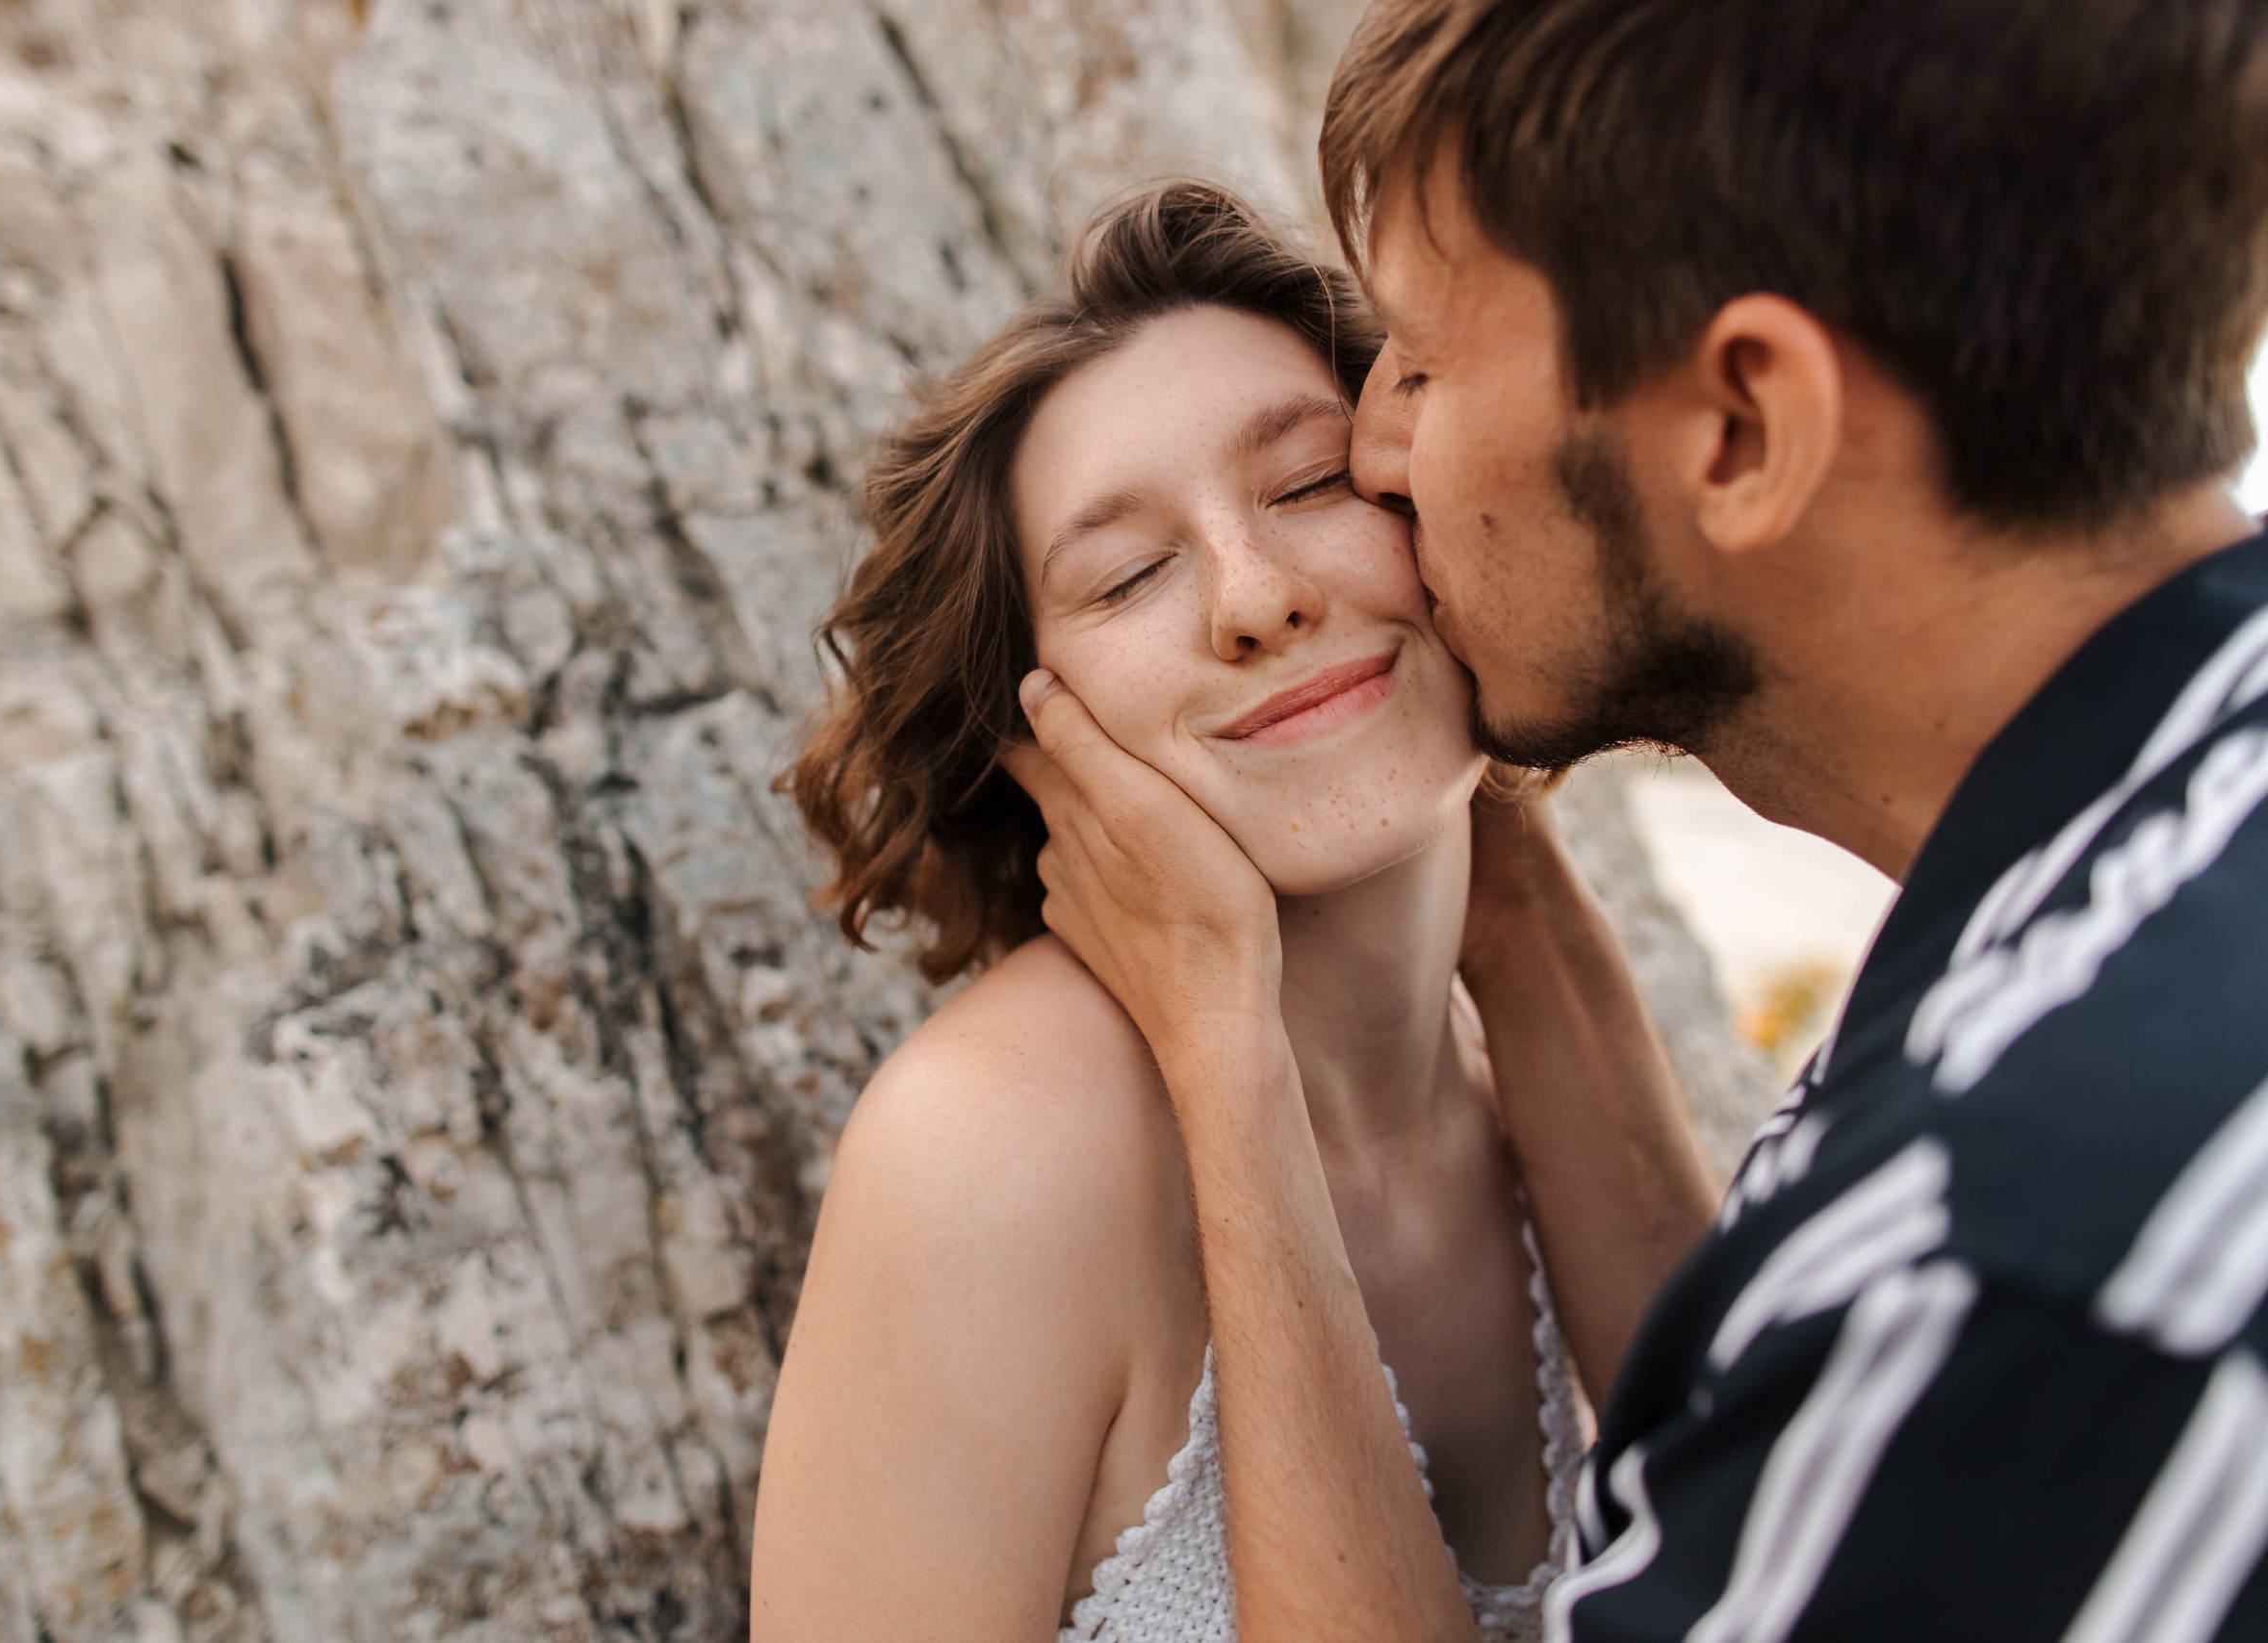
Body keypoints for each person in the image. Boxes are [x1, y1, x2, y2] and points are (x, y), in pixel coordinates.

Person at [1007, 1, 2268, 1639]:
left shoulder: (2006, 1270)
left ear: (1743, 428)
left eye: (1428, 366)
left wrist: (1223, 1051)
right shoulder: (2119, 912)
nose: (1382, 451)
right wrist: (1508, 916)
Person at [747, 182, 1715, 1642]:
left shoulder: (1516, 1074)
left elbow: (1783, 1550)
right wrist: (1226, 1046)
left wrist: (1508, 834)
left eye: (1314, 484)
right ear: (1029, 736)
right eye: (1129, 574)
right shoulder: (991, 1152)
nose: (1254, 600)